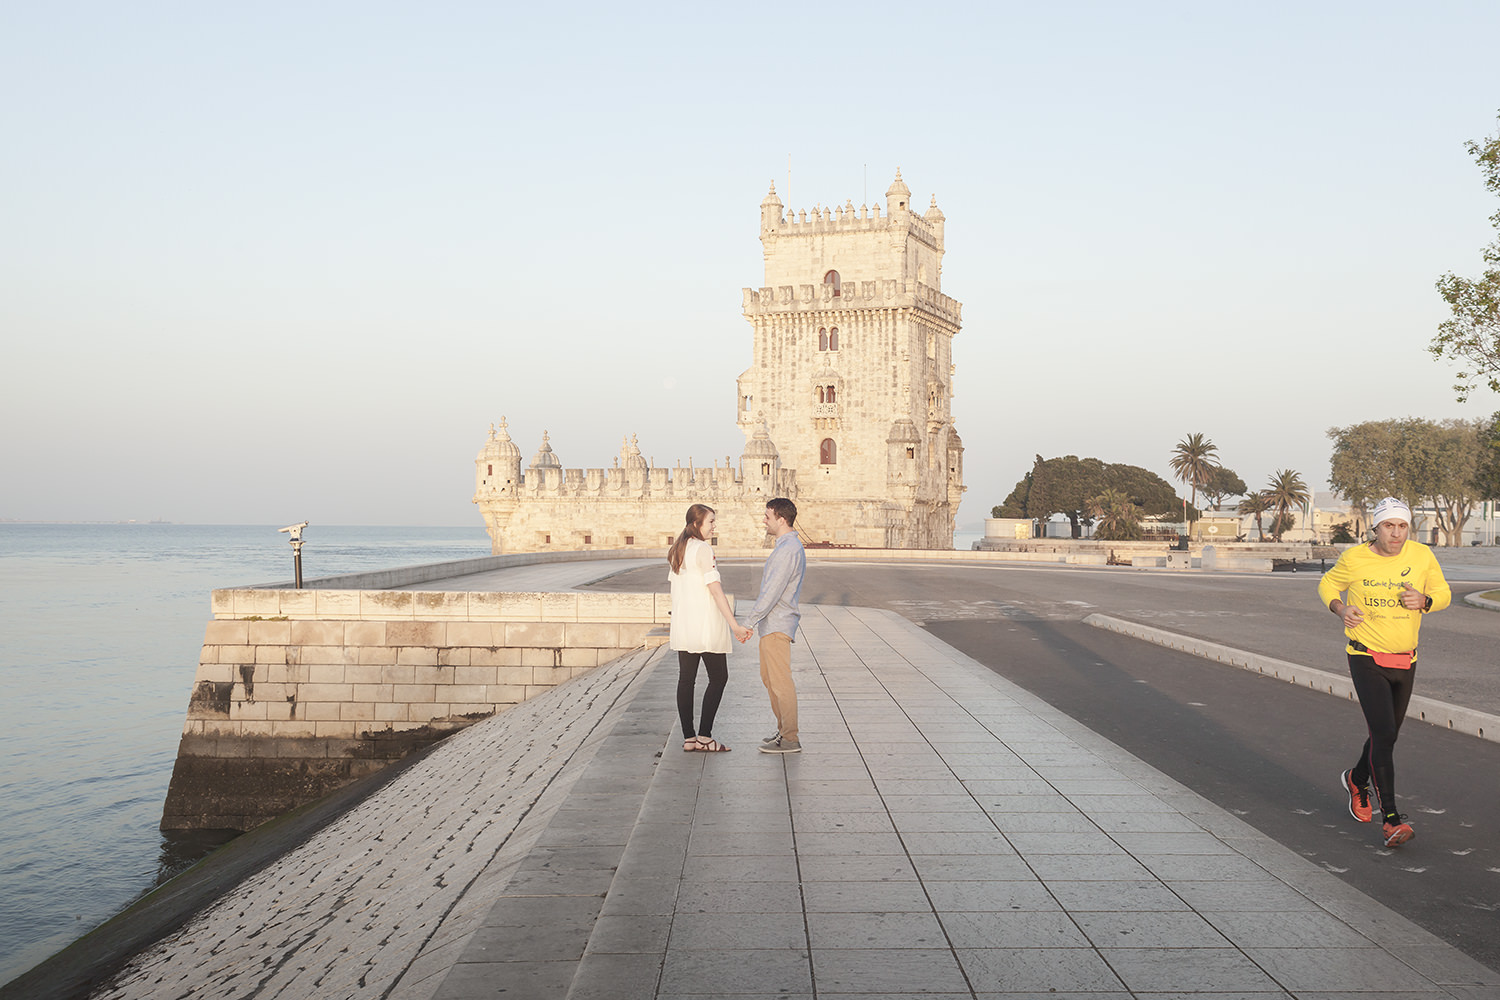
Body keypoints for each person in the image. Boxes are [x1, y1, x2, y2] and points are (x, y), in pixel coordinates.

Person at [1317, 496, 1451, 848]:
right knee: (1384, 732)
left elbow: (1443, 593)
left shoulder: (1422, 557)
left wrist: (1425, 601)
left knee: (1386, 736)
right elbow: (1328, 585)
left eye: (1402, 526)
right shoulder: (1355, 558)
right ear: (1375, 528)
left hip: (1405, 659)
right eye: (1389, 526)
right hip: (1365, 656)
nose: (1396, 533)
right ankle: (1391, 819)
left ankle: (1356, 779)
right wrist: (1340, 608)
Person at [668, 504, 752, 752]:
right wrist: (734, 626)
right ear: (697, 524)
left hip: (684, 624)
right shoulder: (704, 549)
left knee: (686, 680)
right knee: (719, 677)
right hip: (705, 624)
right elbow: (715, 591)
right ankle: (705, 736)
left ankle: (689, 738)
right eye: (711, 522)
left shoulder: (678, 549)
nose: (714, 526)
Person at [740, 497, 807, 754]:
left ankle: (790, 737)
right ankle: (783, 731)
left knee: (780, 682)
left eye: (767, 516)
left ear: (781, 519)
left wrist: (747, 623)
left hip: (778, 625)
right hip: (772, 625)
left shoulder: (788, 550)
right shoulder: (785, 547)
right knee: (770, 679)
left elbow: (771, 593)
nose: (763, 520)